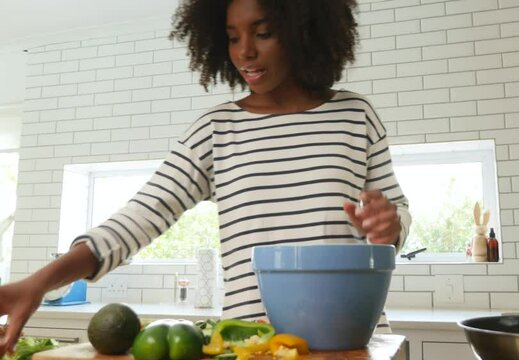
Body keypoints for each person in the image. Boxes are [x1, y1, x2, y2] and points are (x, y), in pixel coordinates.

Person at [0, 0, 411, 354]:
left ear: (303, 28)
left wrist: (388, 226)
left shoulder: (356, 116)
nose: (245, 52)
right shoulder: (216, 130)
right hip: (254, 348)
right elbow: (138, 219)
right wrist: (38, 282)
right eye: (233, 37)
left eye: (263, 32)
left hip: (355, 342)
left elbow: (396, 225)